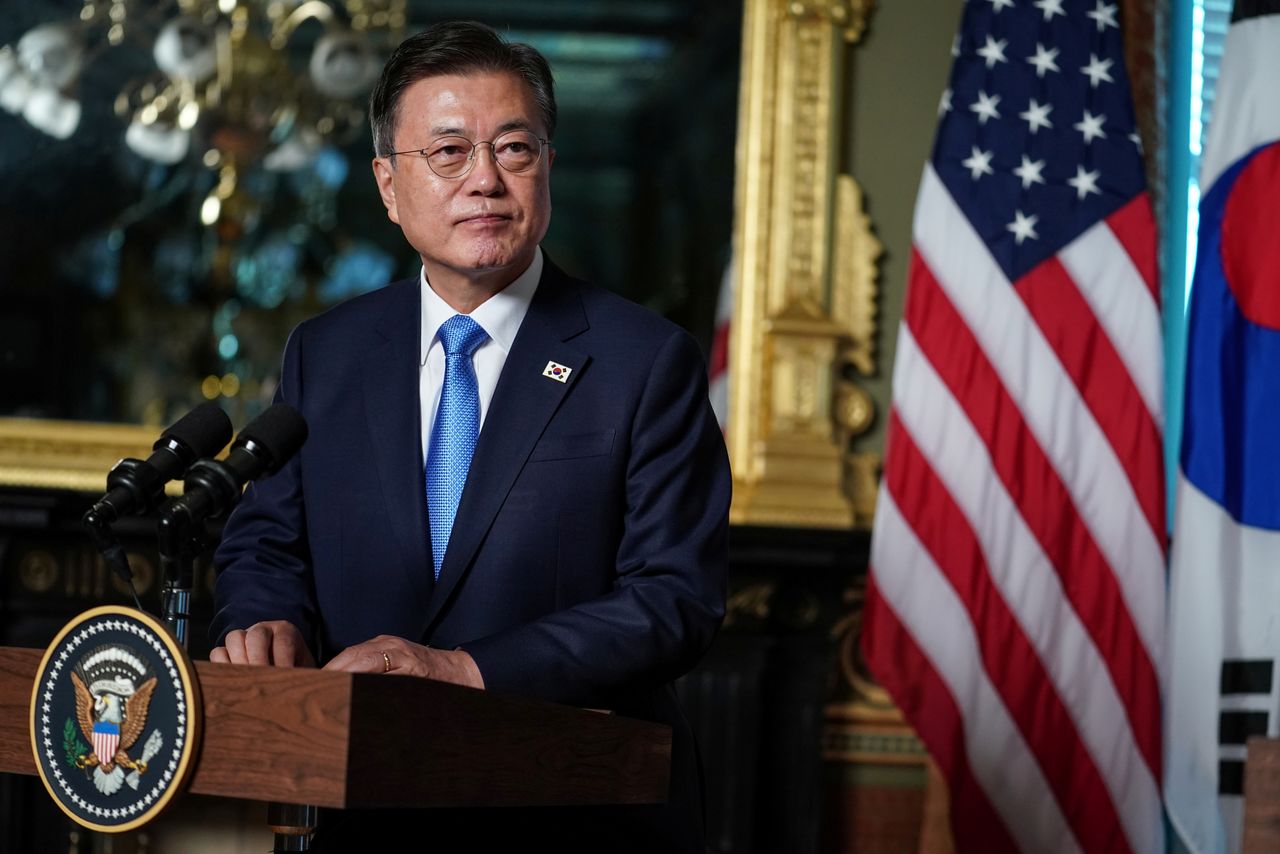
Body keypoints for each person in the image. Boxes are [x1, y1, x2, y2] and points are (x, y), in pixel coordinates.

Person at [209, 20, 730, 851]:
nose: (485, 180)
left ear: (548, 168)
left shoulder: (646, 361)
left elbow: (674, 599)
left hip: (570, 810)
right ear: (387, 185)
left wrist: (463, 670)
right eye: (448, 152)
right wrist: (263, 620)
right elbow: (266, 544)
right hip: (358, 808)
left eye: (514, 149)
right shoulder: (329, 352)